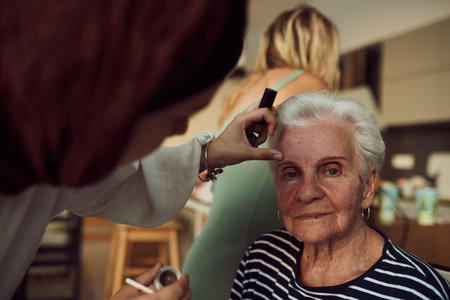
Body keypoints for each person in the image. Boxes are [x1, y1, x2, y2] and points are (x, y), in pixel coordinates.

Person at [0, 1, 285, 299]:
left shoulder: (48, 150)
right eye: (178, 117)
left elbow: (124, 182)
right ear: (117, 102)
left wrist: (208, 153)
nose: (176, 130)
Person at [182, 6, 340, 299]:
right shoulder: (315, 89)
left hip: (205, 263)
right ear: (323, 47)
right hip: (250, 272)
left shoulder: (243, 93)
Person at [230, 92, 450, 299]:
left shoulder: (416, 292)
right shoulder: (260, 259)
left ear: (367, 187)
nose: (307, 193)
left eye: (331, 170)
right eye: (291, 173)